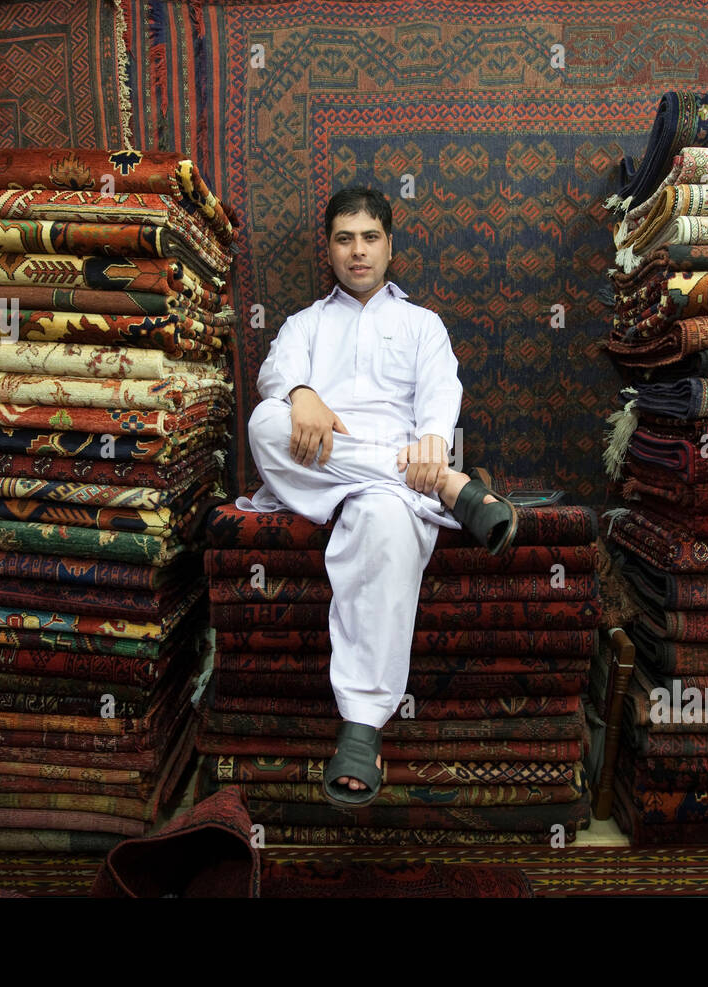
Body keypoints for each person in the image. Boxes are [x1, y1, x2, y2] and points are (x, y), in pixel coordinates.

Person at [234, 186, 517, 806]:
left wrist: (434, 445)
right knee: (265, 422)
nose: (357, 252)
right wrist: (301, 391)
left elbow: (441, 394)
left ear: (390, 246)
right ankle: (454, 489)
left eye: (369, 238)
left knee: (384, 518)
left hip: (397, 481)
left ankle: (360, 728)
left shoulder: (422, 324)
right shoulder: (305, 324)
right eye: (343, 238)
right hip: (329, 461)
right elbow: (275, 374)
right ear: (329, 249)